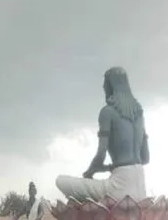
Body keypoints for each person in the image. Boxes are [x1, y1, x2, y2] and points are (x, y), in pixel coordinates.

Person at [56, 67, 149, 202]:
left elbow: (101, 154)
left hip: (119, 187)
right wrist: (110, 167)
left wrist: (90, 172)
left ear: (111, 85)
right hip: (141, 186)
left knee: (61, 181)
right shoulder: (139, 114)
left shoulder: (108, 112)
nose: (103, 87)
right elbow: (145, 158)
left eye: (105, 83)